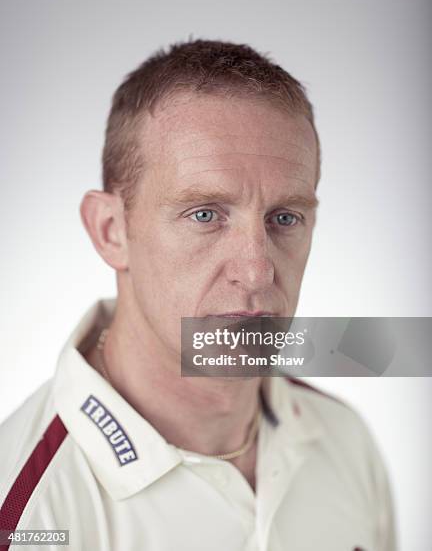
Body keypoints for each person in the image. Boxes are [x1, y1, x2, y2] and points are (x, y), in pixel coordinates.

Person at [0, 39, 396, 550]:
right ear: (110, 231)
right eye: (205, 214)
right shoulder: (29, 514)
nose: (256, 271)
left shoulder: (343, 438)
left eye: (285, 218)